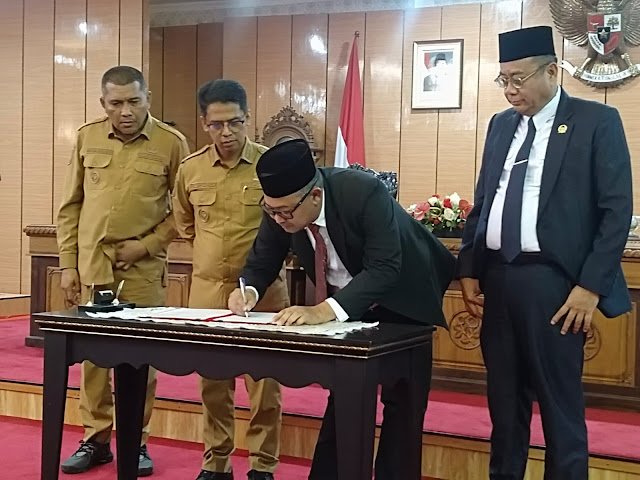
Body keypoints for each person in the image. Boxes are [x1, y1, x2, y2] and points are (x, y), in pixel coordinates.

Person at [456, 26, 632, 480]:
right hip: (499, 280)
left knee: (559, 408)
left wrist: (590, 287)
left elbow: (616, 211)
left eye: (519, 79)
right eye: (503, 79)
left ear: (552, 71)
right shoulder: (501, 125)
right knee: (504, 406)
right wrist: (469, 268)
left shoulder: (596, 121)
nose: (510, 90)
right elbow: (486, 198)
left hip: (556, 286)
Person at [227, 138, 456, 479]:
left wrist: (323, 311)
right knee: (345, 395)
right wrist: (248, 291)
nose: (277, 219)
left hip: (406, 295)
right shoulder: (282, 208)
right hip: (350, 304)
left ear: (315, 196)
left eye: (284, 212)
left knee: (403, 404)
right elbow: (263, 258)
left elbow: (385, 268)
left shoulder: (362, 191)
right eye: (270, 210)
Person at [57, 65, 189, 476]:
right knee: (94, 362)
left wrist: (146, 246)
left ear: (148, 98)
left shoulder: (171, 143)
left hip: (142, 269)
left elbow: (182, 212)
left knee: (139, 361)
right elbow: (71, 206)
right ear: (103, 103)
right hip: (93, 266)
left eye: (134, 101)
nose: (126, 111)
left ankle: (137, 441)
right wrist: (68, 264)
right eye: (116, 103)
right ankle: (96, 440)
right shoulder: (87, 137)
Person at [172, 79, 289, 480]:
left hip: (264, 292)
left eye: (235, 123)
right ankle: (216, 463)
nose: (226, 133)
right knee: (213, 385)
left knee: (264, 385)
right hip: (207, 291)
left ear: (247, 119)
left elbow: (287, 224)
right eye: (217, 124)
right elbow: (185, 224)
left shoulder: (269, 165)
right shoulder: (190, 169)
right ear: (204, 123)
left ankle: (262, 465)